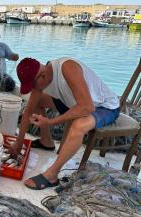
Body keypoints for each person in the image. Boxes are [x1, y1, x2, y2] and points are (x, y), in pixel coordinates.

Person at [10, 57, 119, 190]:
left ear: (42, 76)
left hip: (103, 107)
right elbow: (28, 111)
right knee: (37, 102)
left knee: (78, 126)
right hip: (72, 102)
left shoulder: (67, 68)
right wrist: (19, 142)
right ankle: (46, 142)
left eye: (33, 86)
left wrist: (50, 121)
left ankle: (52, 174)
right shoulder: (42, 77)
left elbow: (87, 107)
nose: (34, 89)